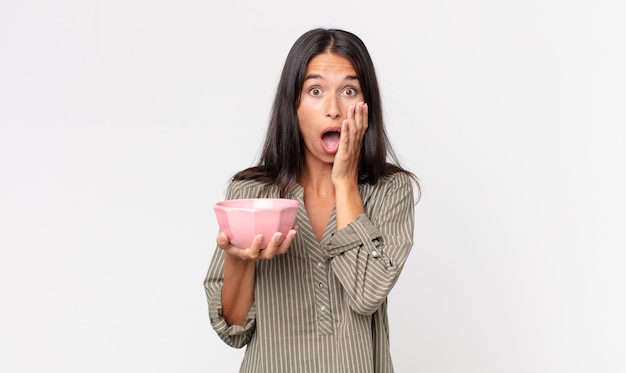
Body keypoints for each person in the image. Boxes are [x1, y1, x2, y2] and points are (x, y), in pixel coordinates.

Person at [204, 28, 419, 373]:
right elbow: (234, 328)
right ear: (294, 104)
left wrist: (346, 181)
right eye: (315, 91)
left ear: (367, 106)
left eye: (349, 90)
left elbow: (367, 294)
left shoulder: (390, 190)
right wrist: (240, 261)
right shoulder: (250, 194)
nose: (333, 109)